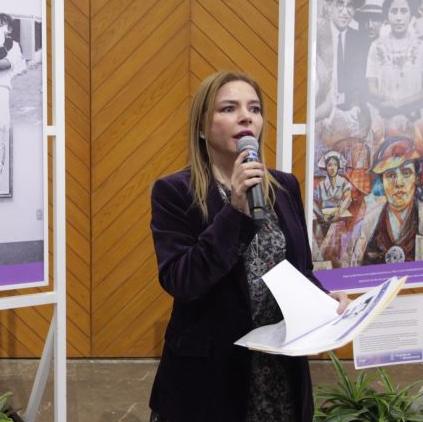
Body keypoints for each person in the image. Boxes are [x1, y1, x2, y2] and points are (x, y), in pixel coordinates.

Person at [149, 71, 349, 422]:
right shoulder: (174, 192)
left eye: (254, 109)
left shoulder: (284, 187)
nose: (246, 116)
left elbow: (299, 272)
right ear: (201, 127)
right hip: (209, 378)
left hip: (280, 371)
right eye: (229, 108)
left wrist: (323, 298)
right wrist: (235, 211)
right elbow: (182, 281)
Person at [347, 136, 423, 266]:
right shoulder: (369, 221)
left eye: (406, 173)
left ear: (416, 178)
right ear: (382, 181)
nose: (398, 183)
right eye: (391, 175)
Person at [366, 0, 423, 119]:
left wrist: (400, 103)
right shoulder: (376, 46)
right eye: (394, 11)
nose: (398, 18)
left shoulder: (421, 47)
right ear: (387, 15)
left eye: (404, 11)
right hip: (385, 115)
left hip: (416, 118)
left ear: (411, 14)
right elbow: (371, 88)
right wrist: (389, 101)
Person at [313, 150, 354, 266]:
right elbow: (313, 201)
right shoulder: (321, 184)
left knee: (336, 228)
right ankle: (321, 262)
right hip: (323, 218)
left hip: (340, 217)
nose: (332, 168)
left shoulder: (344, 182)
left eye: (335, 165)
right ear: (326, 167)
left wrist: (339, 212)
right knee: (317, 231)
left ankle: (336, 261)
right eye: (329, 165)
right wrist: (321, 215)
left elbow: (348, 199)